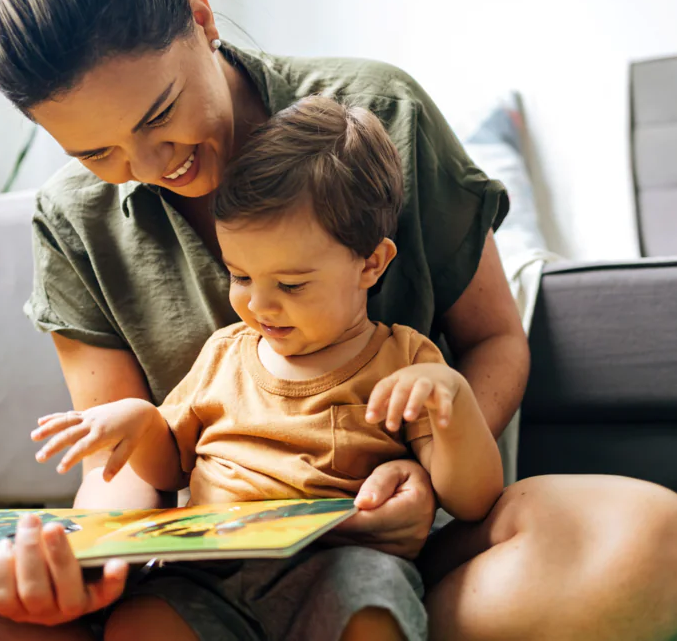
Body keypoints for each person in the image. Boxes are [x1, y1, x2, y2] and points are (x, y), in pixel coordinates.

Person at [0, 0, 677, 639]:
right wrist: (80, 567)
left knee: (653, 543)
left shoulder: (378, 113)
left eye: (161, 115)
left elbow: (494, 341)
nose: (152, 165)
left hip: (393, 549)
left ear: (200, 16)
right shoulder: (71, 219)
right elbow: (120, 469)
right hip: (199, 575)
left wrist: (428, 469)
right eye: (100, 151)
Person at [28, 95, 505, 640]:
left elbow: (474, 498)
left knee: (373, 610)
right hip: (210, 573)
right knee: (141, 622)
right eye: (241, 276)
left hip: (339, 567)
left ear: (371, 264)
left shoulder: (405, 362)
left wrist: (454, 403)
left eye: (292, 284)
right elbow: (170, 471)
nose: (260, 305)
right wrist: (139, 424)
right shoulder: (224, 354)